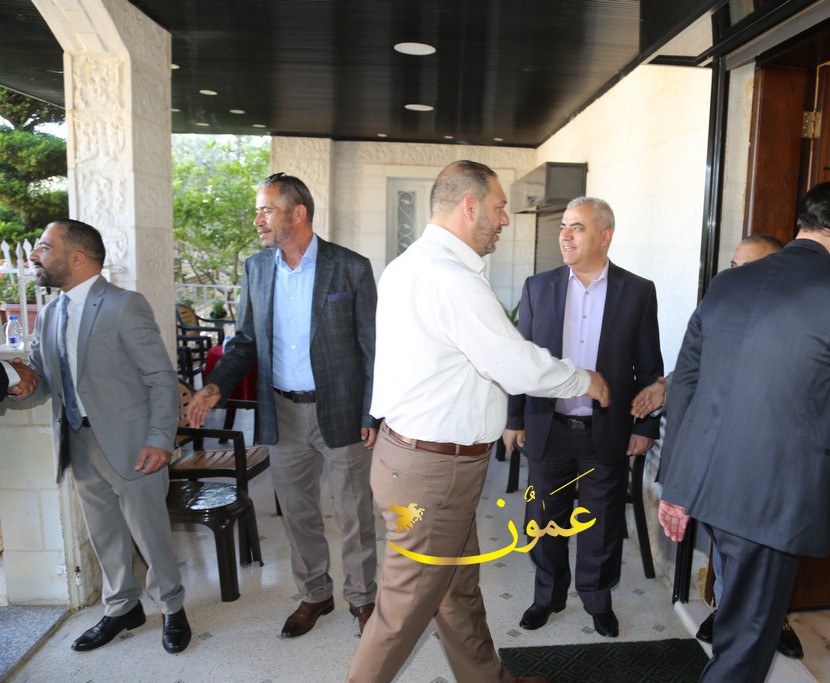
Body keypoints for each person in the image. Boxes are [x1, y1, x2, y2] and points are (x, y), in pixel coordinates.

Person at [346, 160, 609, 683]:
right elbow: (514, 365)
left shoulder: (408, 265)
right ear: (469, 207)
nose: (505, 218)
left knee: (457, 589)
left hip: (420, 461)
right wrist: (585, 379)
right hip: (434, 473)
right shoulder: (452, 281)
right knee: (401, 612)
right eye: (498, 207)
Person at [657, 179, 830, 683]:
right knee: (746, 645)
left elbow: (686, 384)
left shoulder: (729, 283)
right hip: (772, 495)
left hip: (708, 483)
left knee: (736, 626)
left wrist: (676, 483)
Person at [186, 172, 379, 637]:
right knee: (297, 512)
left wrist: (372, 412)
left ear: (299, 213)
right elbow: (245, 340)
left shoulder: (349, 267)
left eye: (266, 209)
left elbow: (372, 346)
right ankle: (315, 594)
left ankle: (363, 598)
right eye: (258, 210)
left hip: (342, 408)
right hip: (282, 412)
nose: (257, 219)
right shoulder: (256, 268)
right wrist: (214, 386)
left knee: (354, 513)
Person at [16, 220, 191, 653]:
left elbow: (161, 378)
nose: (35, 255)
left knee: (149, 532)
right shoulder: (50, 314)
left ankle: (172, 607)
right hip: (78, 441)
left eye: (44, 247)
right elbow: (43, 382)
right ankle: (122, 607)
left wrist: (160, 439)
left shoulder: (124, 305)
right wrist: (19, 382)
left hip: (134, 443)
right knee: (104, 534)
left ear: (77, 257)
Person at [632, 233, 804, 658]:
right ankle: (728, 619)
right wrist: (666, 388)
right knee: (728, 550)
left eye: (749, 266)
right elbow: (700, 365)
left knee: (771, 556)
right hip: (721, 459)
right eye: (733, 265)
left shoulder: (799, 315)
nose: (736, 275)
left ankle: (768, 621)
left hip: (775, 462)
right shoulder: (720, 306)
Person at [503, 196, 663, 638]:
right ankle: (547, 597)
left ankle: (597, 600)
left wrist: (645, 426)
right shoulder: (539, 287)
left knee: (602, 524)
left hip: (605, 431)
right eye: (563, 227)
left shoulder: (637, 291)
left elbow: (649, 366)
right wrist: (514, 419)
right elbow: (521, 361)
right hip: (549, 428)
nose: (565, 235)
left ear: (605, 236)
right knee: (544, 518)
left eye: (577, 227)